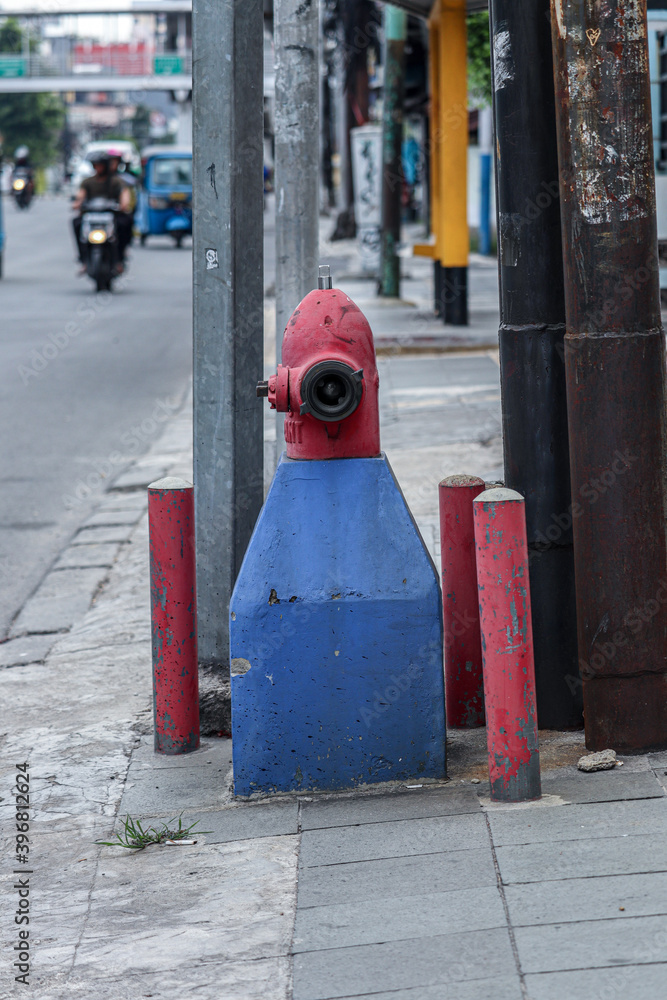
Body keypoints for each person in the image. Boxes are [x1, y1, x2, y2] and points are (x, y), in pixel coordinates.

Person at [72, 150, 132, 274]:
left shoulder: (116, 181)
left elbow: (124, 194)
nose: (98, 168)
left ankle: (119, 259)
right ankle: (83, 259)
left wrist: (123, 205)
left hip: (111, 215)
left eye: (100, 165)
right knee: (76, 223)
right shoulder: (88, 182)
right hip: (92, 215)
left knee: (125, 223)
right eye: (96, 165)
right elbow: (80, 196)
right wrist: (77, 203)